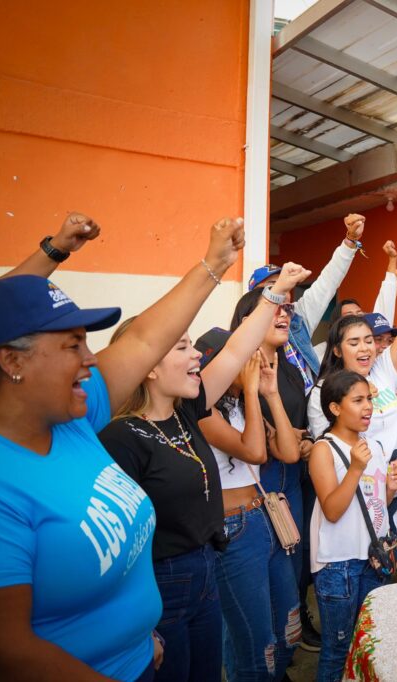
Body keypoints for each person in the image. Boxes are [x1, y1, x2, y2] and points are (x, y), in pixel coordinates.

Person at [0, 212, 242, 681]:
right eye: (72, 345)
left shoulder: (74, 419)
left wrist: (213, 264)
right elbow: (10, 649)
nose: (91, 359)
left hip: (143, 656)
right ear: (12, 361)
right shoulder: (7, 482)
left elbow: (147, 339)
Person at [98, 262, 309, 682]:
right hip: (163, 583)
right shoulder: (120, 436)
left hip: (207, 567)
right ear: (149, 366)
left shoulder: (187, 413)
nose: (197, 354)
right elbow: (118, 542)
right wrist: (139, 624)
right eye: (182, 348)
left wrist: (277, 291)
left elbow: (234, 351)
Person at [196, 330, 303, 682]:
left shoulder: (242, 405)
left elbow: (288, 452)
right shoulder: (203, 412)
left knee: (288, 626)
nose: (254, 366)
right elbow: (255, 451)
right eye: (247, 360)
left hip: (263, 519)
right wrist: (253, 393)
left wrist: (270, 394)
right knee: (256, 643)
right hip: (233, 529)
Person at [307, 370, 397, 682]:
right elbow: (333, 511)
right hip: (340, 564)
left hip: (373, 560)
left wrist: (391, 488)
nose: (368, 407)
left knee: (367, 645)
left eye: (369, 400)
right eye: (358, 400)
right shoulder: (324, 449)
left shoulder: (373, 445)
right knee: (337, 650)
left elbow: (375, 506)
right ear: (335, 408)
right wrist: (355, 468)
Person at [247, 214, 368, 392]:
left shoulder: (296, 317)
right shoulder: (246, 334)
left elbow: (327, 283)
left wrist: (350, 241)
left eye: (283, 282)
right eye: (272, 286)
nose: (281, 289)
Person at [308, 268, 397, 459]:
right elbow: (327, 449)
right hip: (358, 475)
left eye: (368, 341)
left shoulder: (382, 368)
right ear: (337, 350)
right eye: (354, 343)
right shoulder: (323, 391)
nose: (364, 348)